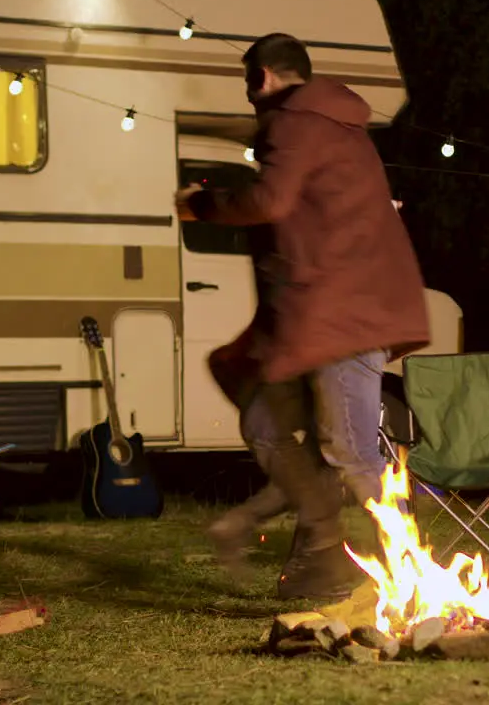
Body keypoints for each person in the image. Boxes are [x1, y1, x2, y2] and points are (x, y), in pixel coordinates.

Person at [176, 33, 430, 600]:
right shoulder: (338, 127)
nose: (249, 97)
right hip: (316, 318)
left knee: (354, 457)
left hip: (340, 320)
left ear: (263, 76)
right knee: (266, 426)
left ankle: (413, 576)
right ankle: (321, 551)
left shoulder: (296, 122)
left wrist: (204, 204)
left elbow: (271, 201)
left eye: (249, 84)